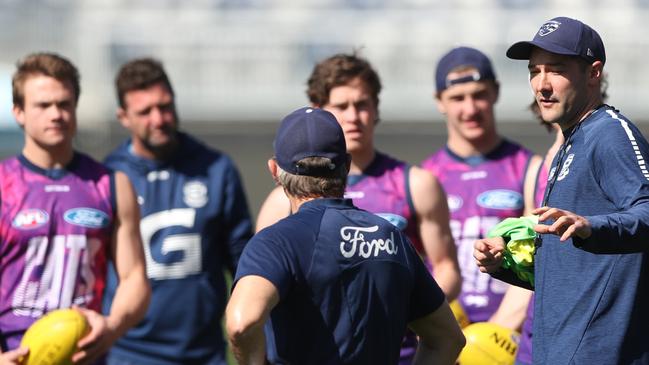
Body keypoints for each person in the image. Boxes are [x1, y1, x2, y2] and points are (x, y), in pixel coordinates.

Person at [255, 53, 461, 364]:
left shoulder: (416, 184)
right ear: (319, 109)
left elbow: (446, 268)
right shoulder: (281, 201)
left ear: (376, 108)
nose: (353, 116)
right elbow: (263, 288)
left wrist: (395, 311)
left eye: (362, 104)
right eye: (341, 106)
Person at [475, 16, 649, 364]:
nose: (541, 84)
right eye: (534, 71)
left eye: (555, 69)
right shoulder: (569, 144)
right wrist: (503, 264)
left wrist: (590, 226)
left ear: (593, 72)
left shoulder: (609, 133)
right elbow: (569, 276)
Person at [0, 52, 150, 365]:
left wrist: (111, 326)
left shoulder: (111, 184)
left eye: (64, 104)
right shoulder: (3, 185)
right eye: (43, 105)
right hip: (14, 351)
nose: (56, 114)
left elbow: (135, 278)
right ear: (19, 112)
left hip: (83, 354)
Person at [101, 58, 253, 365]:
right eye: (145, 111)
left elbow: (243, 262)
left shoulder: (215, 169)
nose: (158, 119)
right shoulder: (107, 176)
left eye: (165, 106)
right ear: (123, 117)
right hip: (127, 353)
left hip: (201, 352)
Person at [421, 46, 541, 328]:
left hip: (511, 333)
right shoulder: (425, 177)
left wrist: (494, 335)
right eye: (457, 98)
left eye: (479, 95)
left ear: (495, 92)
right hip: (442, 334)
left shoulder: (529, 168)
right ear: (439, 101)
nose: (470, 109)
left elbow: (538, 260)